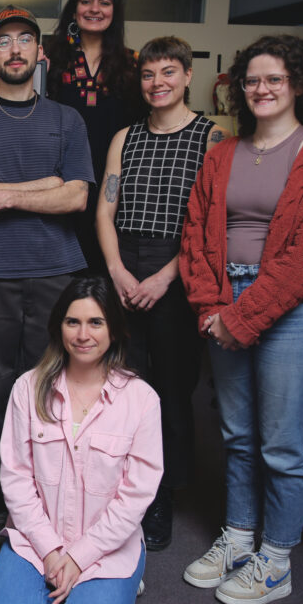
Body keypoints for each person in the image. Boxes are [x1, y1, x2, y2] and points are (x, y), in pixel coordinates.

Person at [179, 34, 303, 604]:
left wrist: (241, 317)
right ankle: (240, 538)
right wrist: (211, 308)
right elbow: (197, 236)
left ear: (298, 84)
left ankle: (276, 561)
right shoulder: (222, 153)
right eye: (252, 79)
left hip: (294, 311)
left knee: (281, 446)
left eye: (274, 78)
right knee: (239, 438)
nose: (262, 89)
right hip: (226, 302)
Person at [0, 6, 93, 543]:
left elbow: (77, 196)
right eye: (3, 42)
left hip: (58, 271)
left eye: (24, 40)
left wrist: (11, 192)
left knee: (53, 390)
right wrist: (45, 184)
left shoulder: (66, 120)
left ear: (39, 53)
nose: (14, 50)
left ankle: (50, 502)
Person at [94, 36, 229, 551]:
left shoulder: (213, 137)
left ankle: (161, 499)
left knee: (171, 393)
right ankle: (116, 491)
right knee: (122, 387)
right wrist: (117, 271)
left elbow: (211, 223)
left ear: (187, 75)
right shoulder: (125, 137)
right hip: (124, 268)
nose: (158, 84)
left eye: (168, 73)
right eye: (149, 75)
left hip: (180, 270)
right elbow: (105, 210)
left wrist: (167, 276)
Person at [0, 276, 162, 604]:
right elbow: (16, 478)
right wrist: (51, 552)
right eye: (73, 322)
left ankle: (114, 585)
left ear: (114, 329)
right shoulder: (28, 388)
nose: (83, 335)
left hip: (107, 546)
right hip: (37, 539)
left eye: (96, 322)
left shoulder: (141, 399)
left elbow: (135, 496)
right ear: (58, 327)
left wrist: (79, 558)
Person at [44, 0, 142, 273]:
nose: (94, 9)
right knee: (61, 273)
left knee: (105, 272)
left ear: (115, 12)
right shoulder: (51, 58)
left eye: (104, 2)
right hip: (61, 181)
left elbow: (142, 127)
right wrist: (38, 75)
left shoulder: (132, 63)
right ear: (74, 10)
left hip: (116, 183)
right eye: (86, 1)